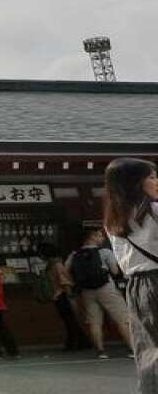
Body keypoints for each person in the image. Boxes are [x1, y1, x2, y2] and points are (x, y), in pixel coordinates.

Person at [105, 158, 158, 390]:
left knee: (149, 350)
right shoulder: (155, 211)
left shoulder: (112, 219)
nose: (156, 181)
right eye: (152, 177)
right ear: (136, 183)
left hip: (137, 287)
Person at [67, 228, 134, 358]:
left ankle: (100, 351)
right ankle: (133, 348)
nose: (102, 238)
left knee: (95, 322)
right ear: (92, 237)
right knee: (123, 319)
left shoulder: (74, 254)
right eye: (99, 235)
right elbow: (115, 271)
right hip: (106, 288)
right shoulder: (104, 252)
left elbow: (66, 270)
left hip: (86, 291)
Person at [36, 242, 92, 351]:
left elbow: (64, 281)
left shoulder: (55, 265)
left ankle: (75, 343)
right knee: (70, 320)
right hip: (62, 296)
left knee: (70, 321)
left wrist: (70, 296)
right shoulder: (55, 264)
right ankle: (81, 342)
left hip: (62, 296)